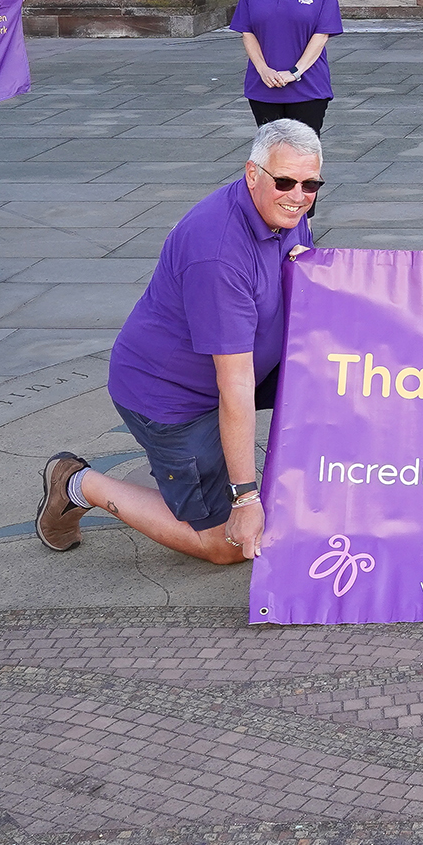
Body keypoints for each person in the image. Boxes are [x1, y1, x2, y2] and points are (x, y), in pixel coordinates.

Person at [37, 119, 320, 563]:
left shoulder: (285, 212)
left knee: (334, 375)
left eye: (310, 184)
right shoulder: (218, 254)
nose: (298, 196)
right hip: (171, 399)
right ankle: (78, 483)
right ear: (252, 174)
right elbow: (235, 384)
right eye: (285, 181)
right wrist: (245, 498)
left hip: (239, 366)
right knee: (226, 545)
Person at [230, 0, 341, 136]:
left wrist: (294, 72)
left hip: (308, 87)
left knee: (303, 161)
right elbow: (247, 32)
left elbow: (321, 37)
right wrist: (263, 70)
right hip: (264, 87)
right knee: (271, 159)